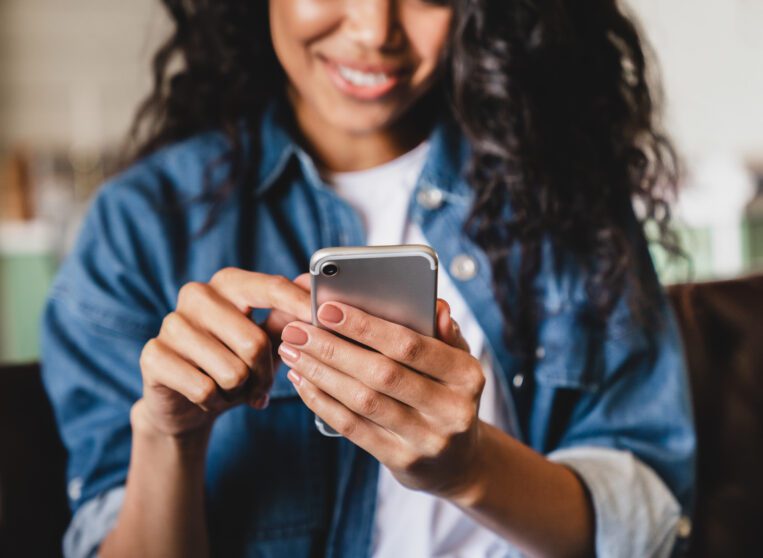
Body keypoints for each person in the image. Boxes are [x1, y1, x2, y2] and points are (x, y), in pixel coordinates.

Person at [41, 1, 696, 557]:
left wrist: (468, 470)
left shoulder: (565, 195)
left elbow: (646, 516)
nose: (374, 29)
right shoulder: (142, 225)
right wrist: (168, 437)